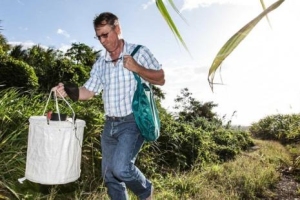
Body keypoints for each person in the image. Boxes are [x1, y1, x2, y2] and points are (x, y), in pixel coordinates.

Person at [52, 12, 165, 200]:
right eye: (99, 37)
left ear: (117, 29)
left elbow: (161, 78)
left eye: (106, 34)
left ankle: (146, 192)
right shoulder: (100, 63)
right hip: (109, 125)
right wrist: (67, 90)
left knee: (121, 169)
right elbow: (88, 92)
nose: (103, 41)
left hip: (132, 121)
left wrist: (137, 68)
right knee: (109, 175)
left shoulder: (138, 52)